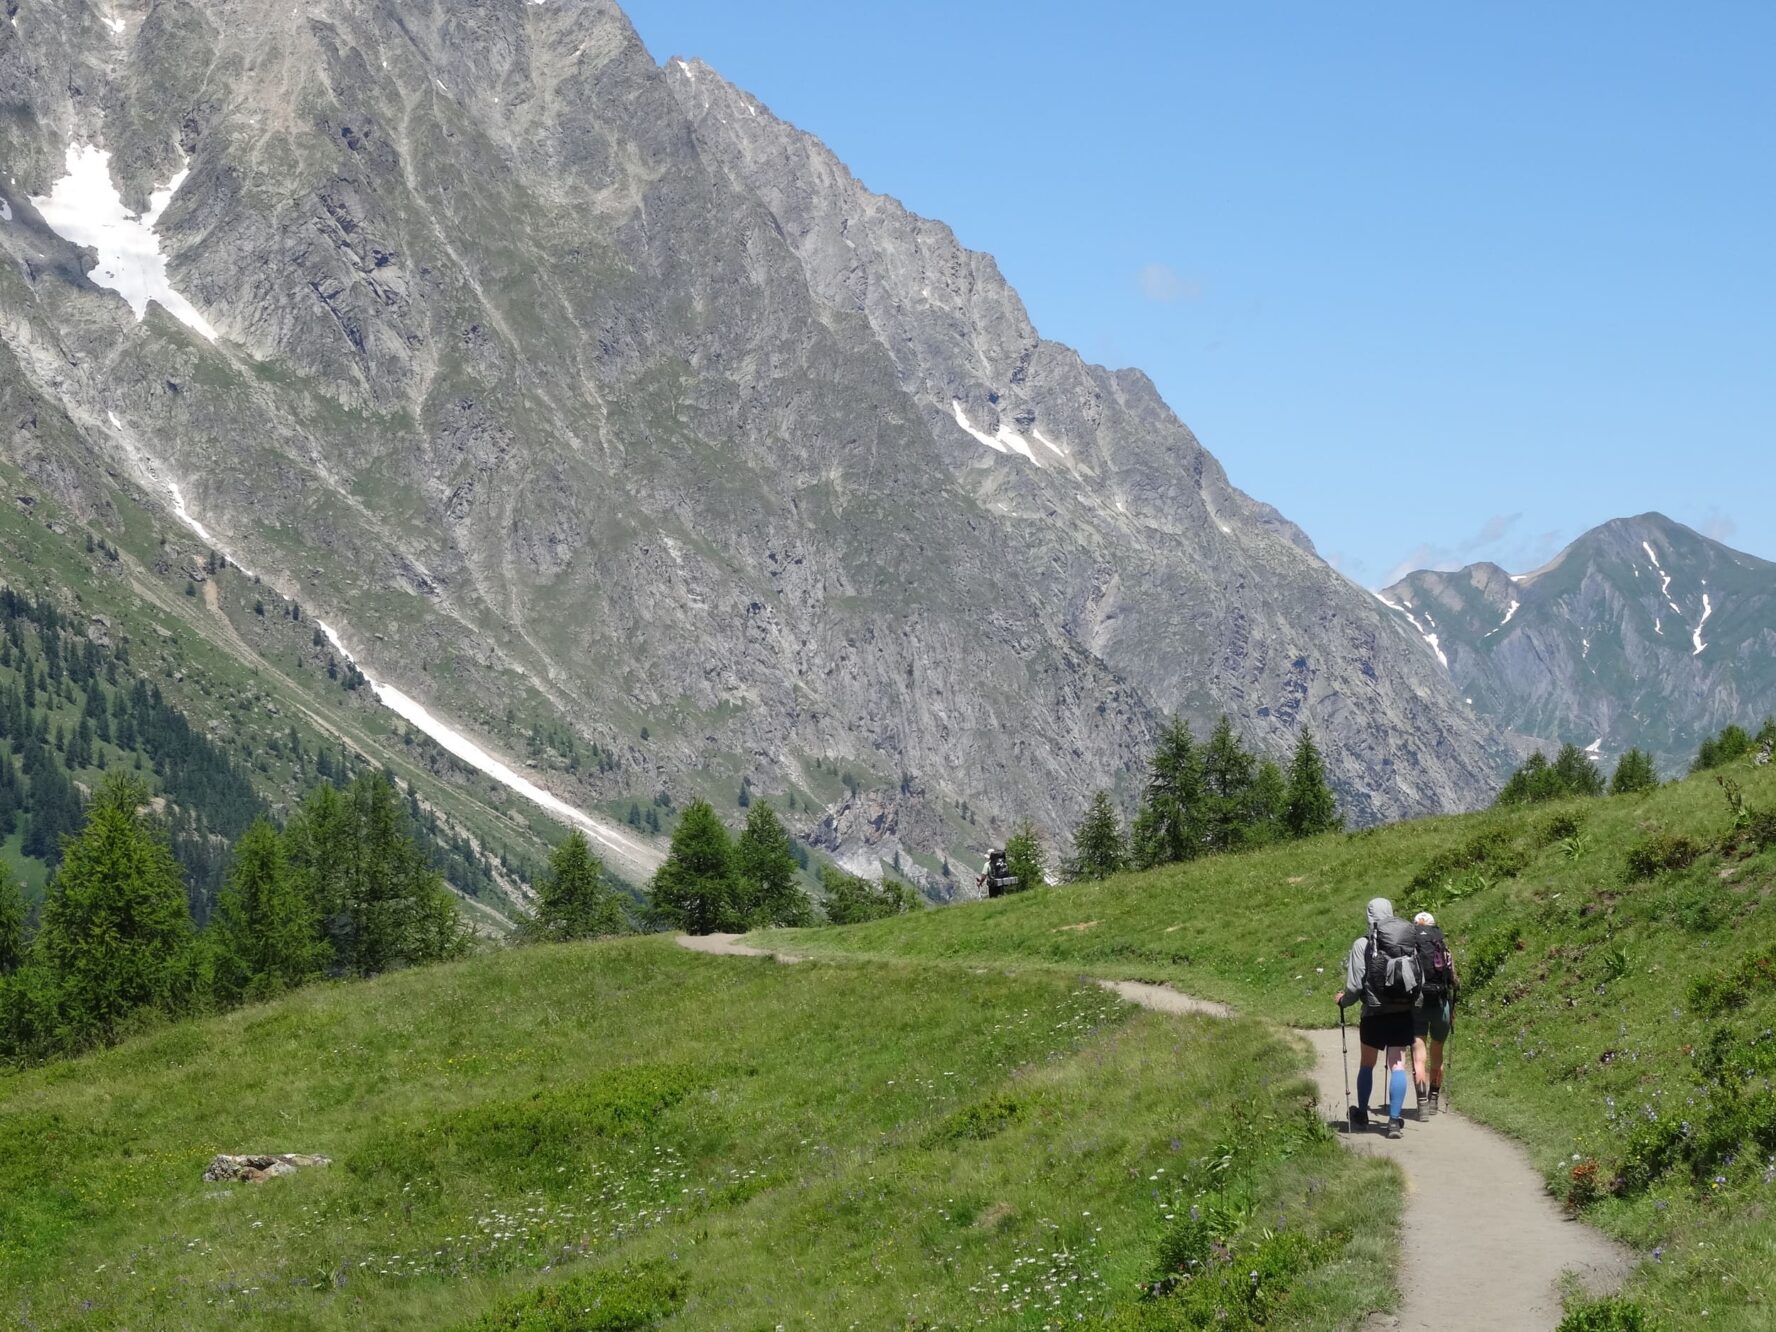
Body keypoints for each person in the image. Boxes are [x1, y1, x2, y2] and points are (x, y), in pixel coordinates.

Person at [1334, 896, 1418, 1138]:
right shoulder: (1407, 940)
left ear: (1369, 916)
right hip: (1402, 1011)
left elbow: (1355, 985)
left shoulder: (1362, 944)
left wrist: (1344, 1001)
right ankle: (1393, 1121)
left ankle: (1362, 1113)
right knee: (1398, 1065)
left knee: (1367, 1064)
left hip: (1373, 1012)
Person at [1411, 910, 1457, 1116]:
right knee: (1437, 1053)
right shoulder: (1443, 948)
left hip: (1417, 1004)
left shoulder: (1410, 948)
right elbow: (1453, 979)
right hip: (1440, 1005)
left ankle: (1421, 1103)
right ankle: (1434, 1100)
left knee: (1418, 1056)